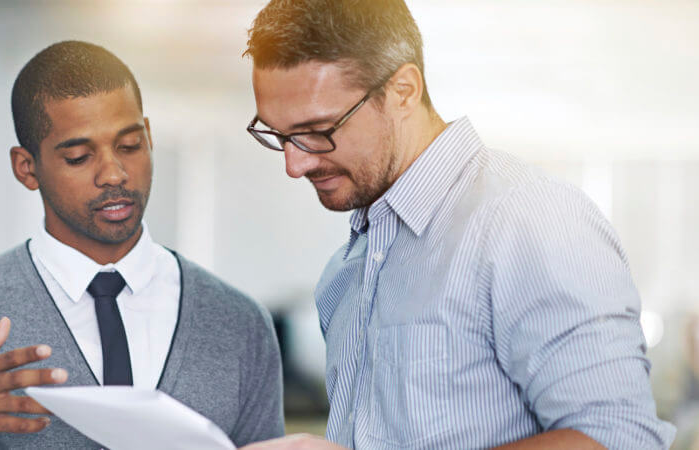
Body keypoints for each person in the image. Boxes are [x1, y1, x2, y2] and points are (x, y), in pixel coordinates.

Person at [240, 1, 675, 449]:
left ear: (403, 91)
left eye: (318, 129)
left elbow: (618, 438)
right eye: (279, 134)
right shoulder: (345, 272)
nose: (295, 164)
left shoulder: (527, 220)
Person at [0, 40, 284, 449]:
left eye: (129, 145)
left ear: (150, 137)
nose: (115, 174)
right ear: (26, 168)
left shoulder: (239, 324)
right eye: (80, 157)